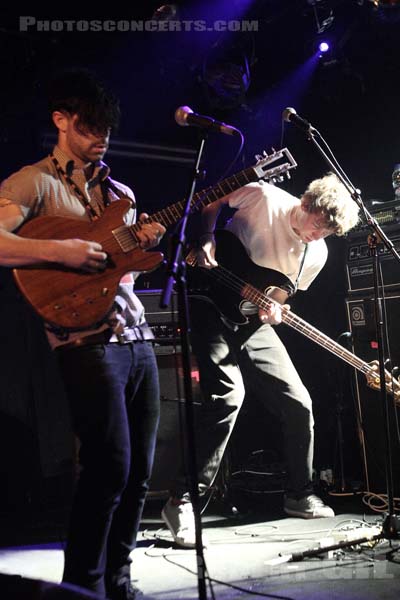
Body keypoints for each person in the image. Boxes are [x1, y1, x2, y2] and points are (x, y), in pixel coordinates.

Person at [0, 70, 166, 600]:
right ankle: (83, 587)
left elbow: (121, 272)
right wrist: (60, 250)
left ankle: (118, 579)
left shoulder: (121, 191)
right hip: (84, 343)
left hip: (135, 334)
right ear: (61, 120)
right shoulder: (33, 181)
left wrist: (135, 251)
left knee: (140, 470)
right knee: (108, 467)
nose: (102, 137)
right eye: (90, 126)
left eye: (108, 129)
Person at [161, 172, 360, 548]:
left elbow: (280, 293)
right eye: (317, 224)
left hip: (249, 319)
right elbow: (211, 200)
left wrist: (273, 311)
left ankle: (299, 494)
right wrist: (205, 238)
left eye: (327, 232)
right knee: (228, 396)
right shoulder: (264, 197)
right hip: (207, 303)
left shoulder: (316, 254)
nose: (317, 235)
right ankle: (182, 500)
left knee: (299, 402)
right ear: (306, 204)